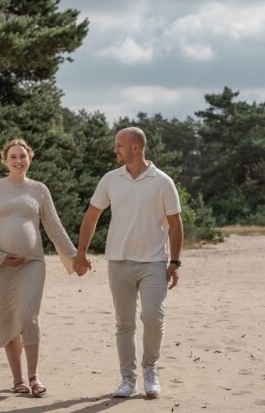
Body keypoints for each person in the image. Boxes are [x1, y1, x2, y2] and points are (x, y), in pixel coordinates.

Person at [73, 127, 183, 399]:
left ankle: (150, 369)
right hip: (118, 262)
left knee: (153, 318)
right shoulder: (111, 179)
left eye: (119, 144)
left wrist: (176, 261)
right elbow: (91, 217)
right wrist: (81, 252)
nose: (116, 149)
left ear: (136, 147)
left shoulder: (162, 181)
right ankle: (127, 379)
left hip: (154, 263)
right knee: (124, 324)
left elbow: (175, 223)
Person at [0, 138, 80, 398]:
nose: (18, 160)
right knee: (9, 320)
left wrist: (74, 256)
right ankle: (18, 378)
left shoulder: (39, 190)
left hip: (32, 263)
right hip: (1, 266)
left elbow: (53, 226)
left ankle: (34, 377)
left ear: (30, 158)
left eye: (23, 155)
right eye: (13, 156)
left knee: (28, 317)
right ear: (5, 160)